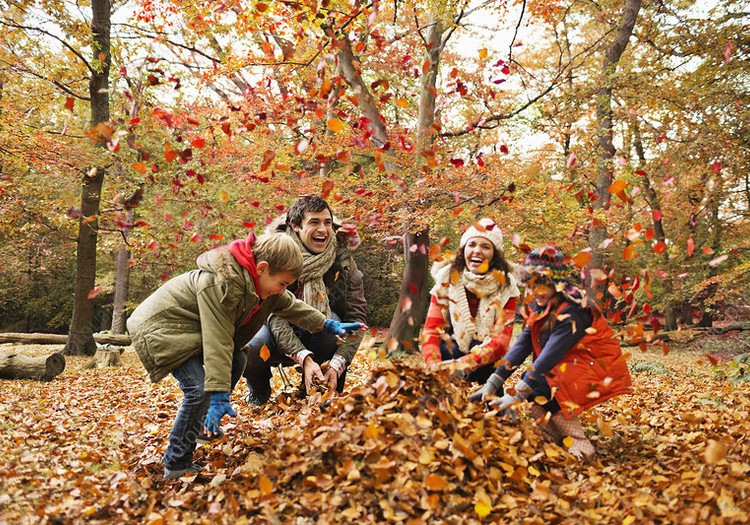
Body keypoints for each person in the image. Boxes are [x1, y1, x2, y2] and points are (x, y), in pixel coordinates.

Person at [126, 232, 364, 480]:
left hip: (188, 329)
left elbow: (292, 306)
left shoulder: (262, 286)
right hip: (162, 328)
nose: (283, 290)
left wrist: (327, 325)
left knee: (238, 359)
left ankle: (200, 426)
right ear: (262, 268)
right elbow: (217, 341)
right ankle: (177, 463)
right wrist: (217, 394)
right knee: (199, 389)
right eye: (282, 283)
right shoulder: (221, 285)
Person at [470, 245, 633, 461]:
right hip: (572, 363)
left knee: (541, 386)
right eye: (531, 283)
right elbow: (521, 346)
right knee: (537, 400)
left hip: (594, 365)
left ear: (557, 284)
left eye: (543, 284)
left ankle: (583, 449)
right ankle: (558, 440)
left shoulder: (574, 309)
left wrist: (516, 395)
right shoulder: (539, 306)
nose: (536, 290)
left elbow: (549, 356)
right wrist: (493, 383)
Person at [242, 195, 367, 405]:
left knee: (334, 328)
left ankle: (325, 387)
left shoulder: (343, 262)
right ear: (295, 225)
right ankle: (259, 391)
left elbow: (357, 319)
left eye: (327, 223)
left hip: (322, 331)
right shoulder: (274, 255)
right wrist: (303, 357)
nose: (323, 230)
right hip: (275, 328)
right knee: (253, 344)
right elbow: (274, 314)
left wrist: (338, 363)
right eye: (314, 222)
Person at [421, 218, 521, 384]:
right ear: (463, 250)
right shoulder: (446, 279)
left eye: (485, 247)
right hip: (449, 356)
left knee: (492, 397)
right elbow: (431, 330)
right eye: (472, 244)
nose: (477, 251)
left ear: (494, 255)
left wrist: (464, 364)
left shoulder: (507, 287)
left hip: (487, 361)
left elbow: (501, 341)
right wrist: (434, 365)